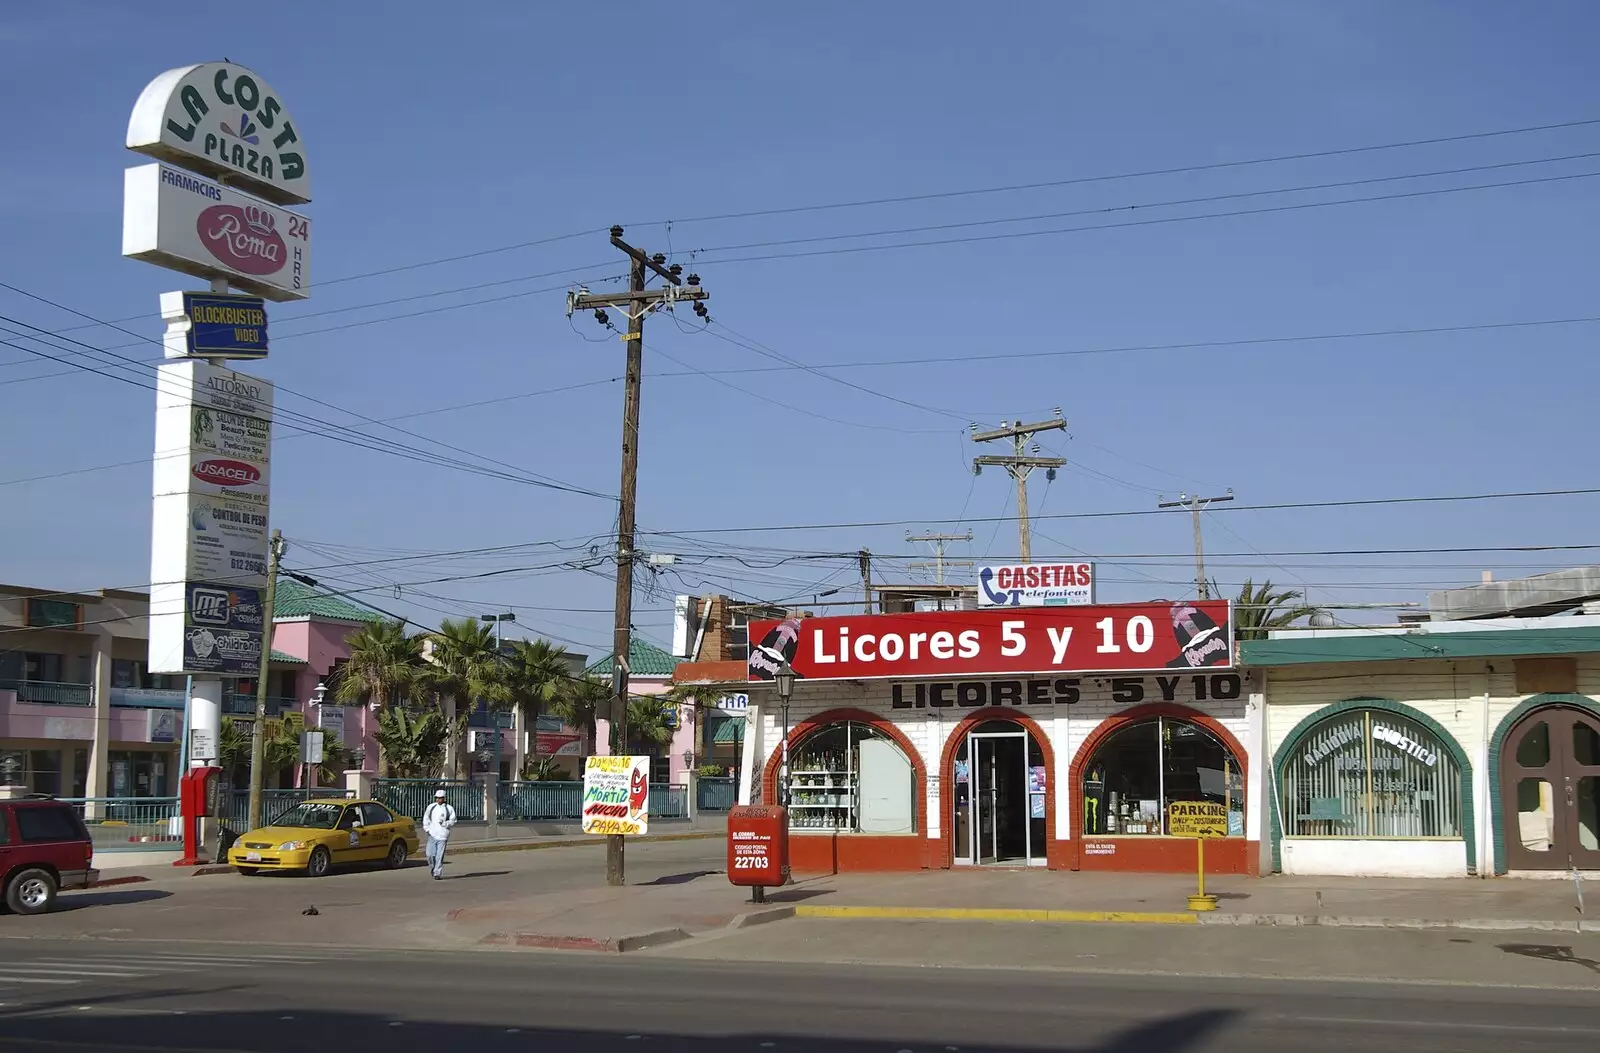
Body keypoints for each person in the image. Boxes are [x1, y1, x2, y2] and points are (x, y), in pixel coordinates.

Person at [421, 789, 457, 879]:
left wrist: (445, 823)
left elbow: (453, 820)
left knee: (439, 856)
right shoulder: (431, 807)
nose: (438, 800)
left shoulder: (449, 808)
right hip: (432, 834)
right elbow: (426, 817)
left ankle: (437, 872)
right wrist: (427, 829)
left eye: (440, 798)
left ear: (444, 798)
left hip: (443, 836)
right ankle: (433, 868)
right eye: (437, 798)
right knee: (430, 854)